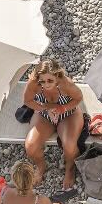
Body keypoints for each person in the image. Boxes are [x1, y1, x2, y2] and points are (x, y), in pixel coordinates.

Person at [22, 57, 85, 191]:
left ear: (57, 77)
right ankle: (41, 166)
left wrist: (62, 109)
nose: (46, 84)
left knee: (69, 145)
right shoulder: (34, 83)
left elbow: (79, 98)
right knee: (30, 147)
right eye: (42, 81)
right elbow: (27, 101)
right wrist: (45, 108)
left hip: (68, 114)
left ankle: (69, 168)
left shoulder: (66, 84)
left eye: (50, 80)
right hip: (45, 115)